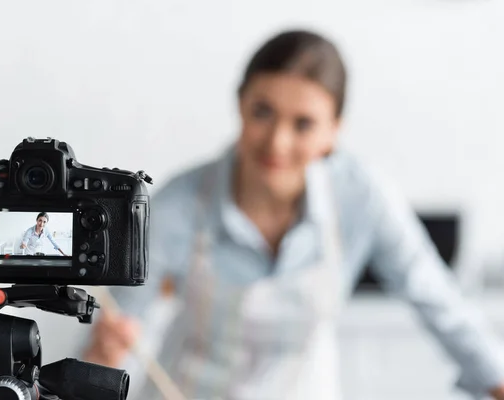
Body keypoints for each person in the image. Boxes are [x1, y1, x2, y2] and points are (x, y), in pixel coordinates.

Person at [83, 30, 504, 399]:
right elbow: (116, 338)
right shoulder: (177, 203)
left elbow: (438, 298)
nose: (278, 142)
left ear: (333, 131)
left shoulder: (361, 196)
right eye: (262, 112)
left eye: (303, 124)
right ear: (240, 104)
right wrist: (104, 353)